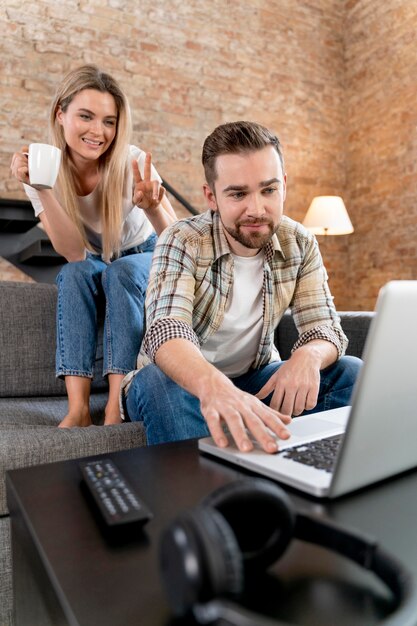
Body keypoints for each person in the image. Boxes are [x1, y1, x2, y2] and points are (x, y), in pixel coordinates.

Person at [123, 120, 362, 453]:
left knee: (350, 373)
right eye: (238, 194)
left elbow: (326, 329)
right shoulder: (182, 240)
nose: (257, 209)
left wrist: (308, 355)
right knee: (160, 382)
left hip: (254, 377)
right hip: (176, 383)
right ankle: (204, 500)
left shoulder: (300, 243)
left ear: (284, 186)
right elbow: (167, 332)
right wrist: (214, 385)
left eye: (268, 190)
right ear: (212, 196)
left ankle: (306, 471)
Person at [10, 64, 176, 428]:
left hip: (145, 254)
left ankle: (116, 404)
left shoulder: (132, 161)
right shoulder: (43, 168)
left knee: (120, 272)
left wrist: (152, 209)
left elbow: (178, 247)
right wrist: (41, 188)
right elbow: (73, 252)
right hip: (96, 259)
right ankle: (79, 408)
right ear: (61, 114)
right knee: (73, 273)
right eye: (86, 116)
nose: (98, 132)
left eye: (109, 121)